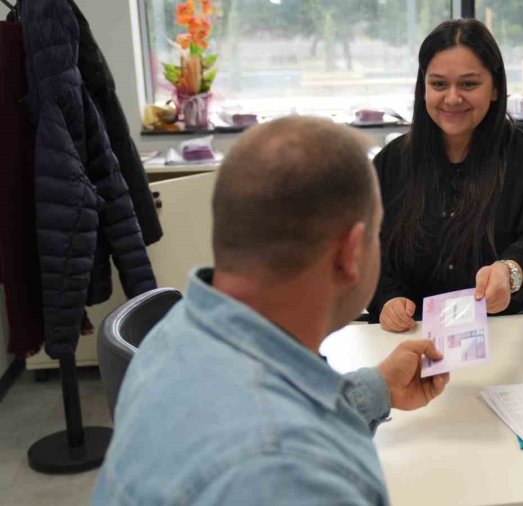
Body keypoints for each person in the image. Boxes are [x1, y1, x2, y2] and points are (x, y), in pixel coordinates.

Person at [93, 116, 450, 505]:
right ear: (350, 253)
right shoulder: (293, 473)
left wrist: (378, 388)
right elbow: (274, 450)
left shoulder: (176, 333)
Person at [368, 19, 523, 332]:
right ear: (423, 88)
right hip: (415, 329)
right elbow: (371, 252)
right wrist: (388, 299)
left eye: (469, 84)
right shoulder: (392, 162)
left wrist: (509, 272)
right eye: (438, 85)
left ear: (495, 87)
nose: (452, 98)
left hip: (506, 325)